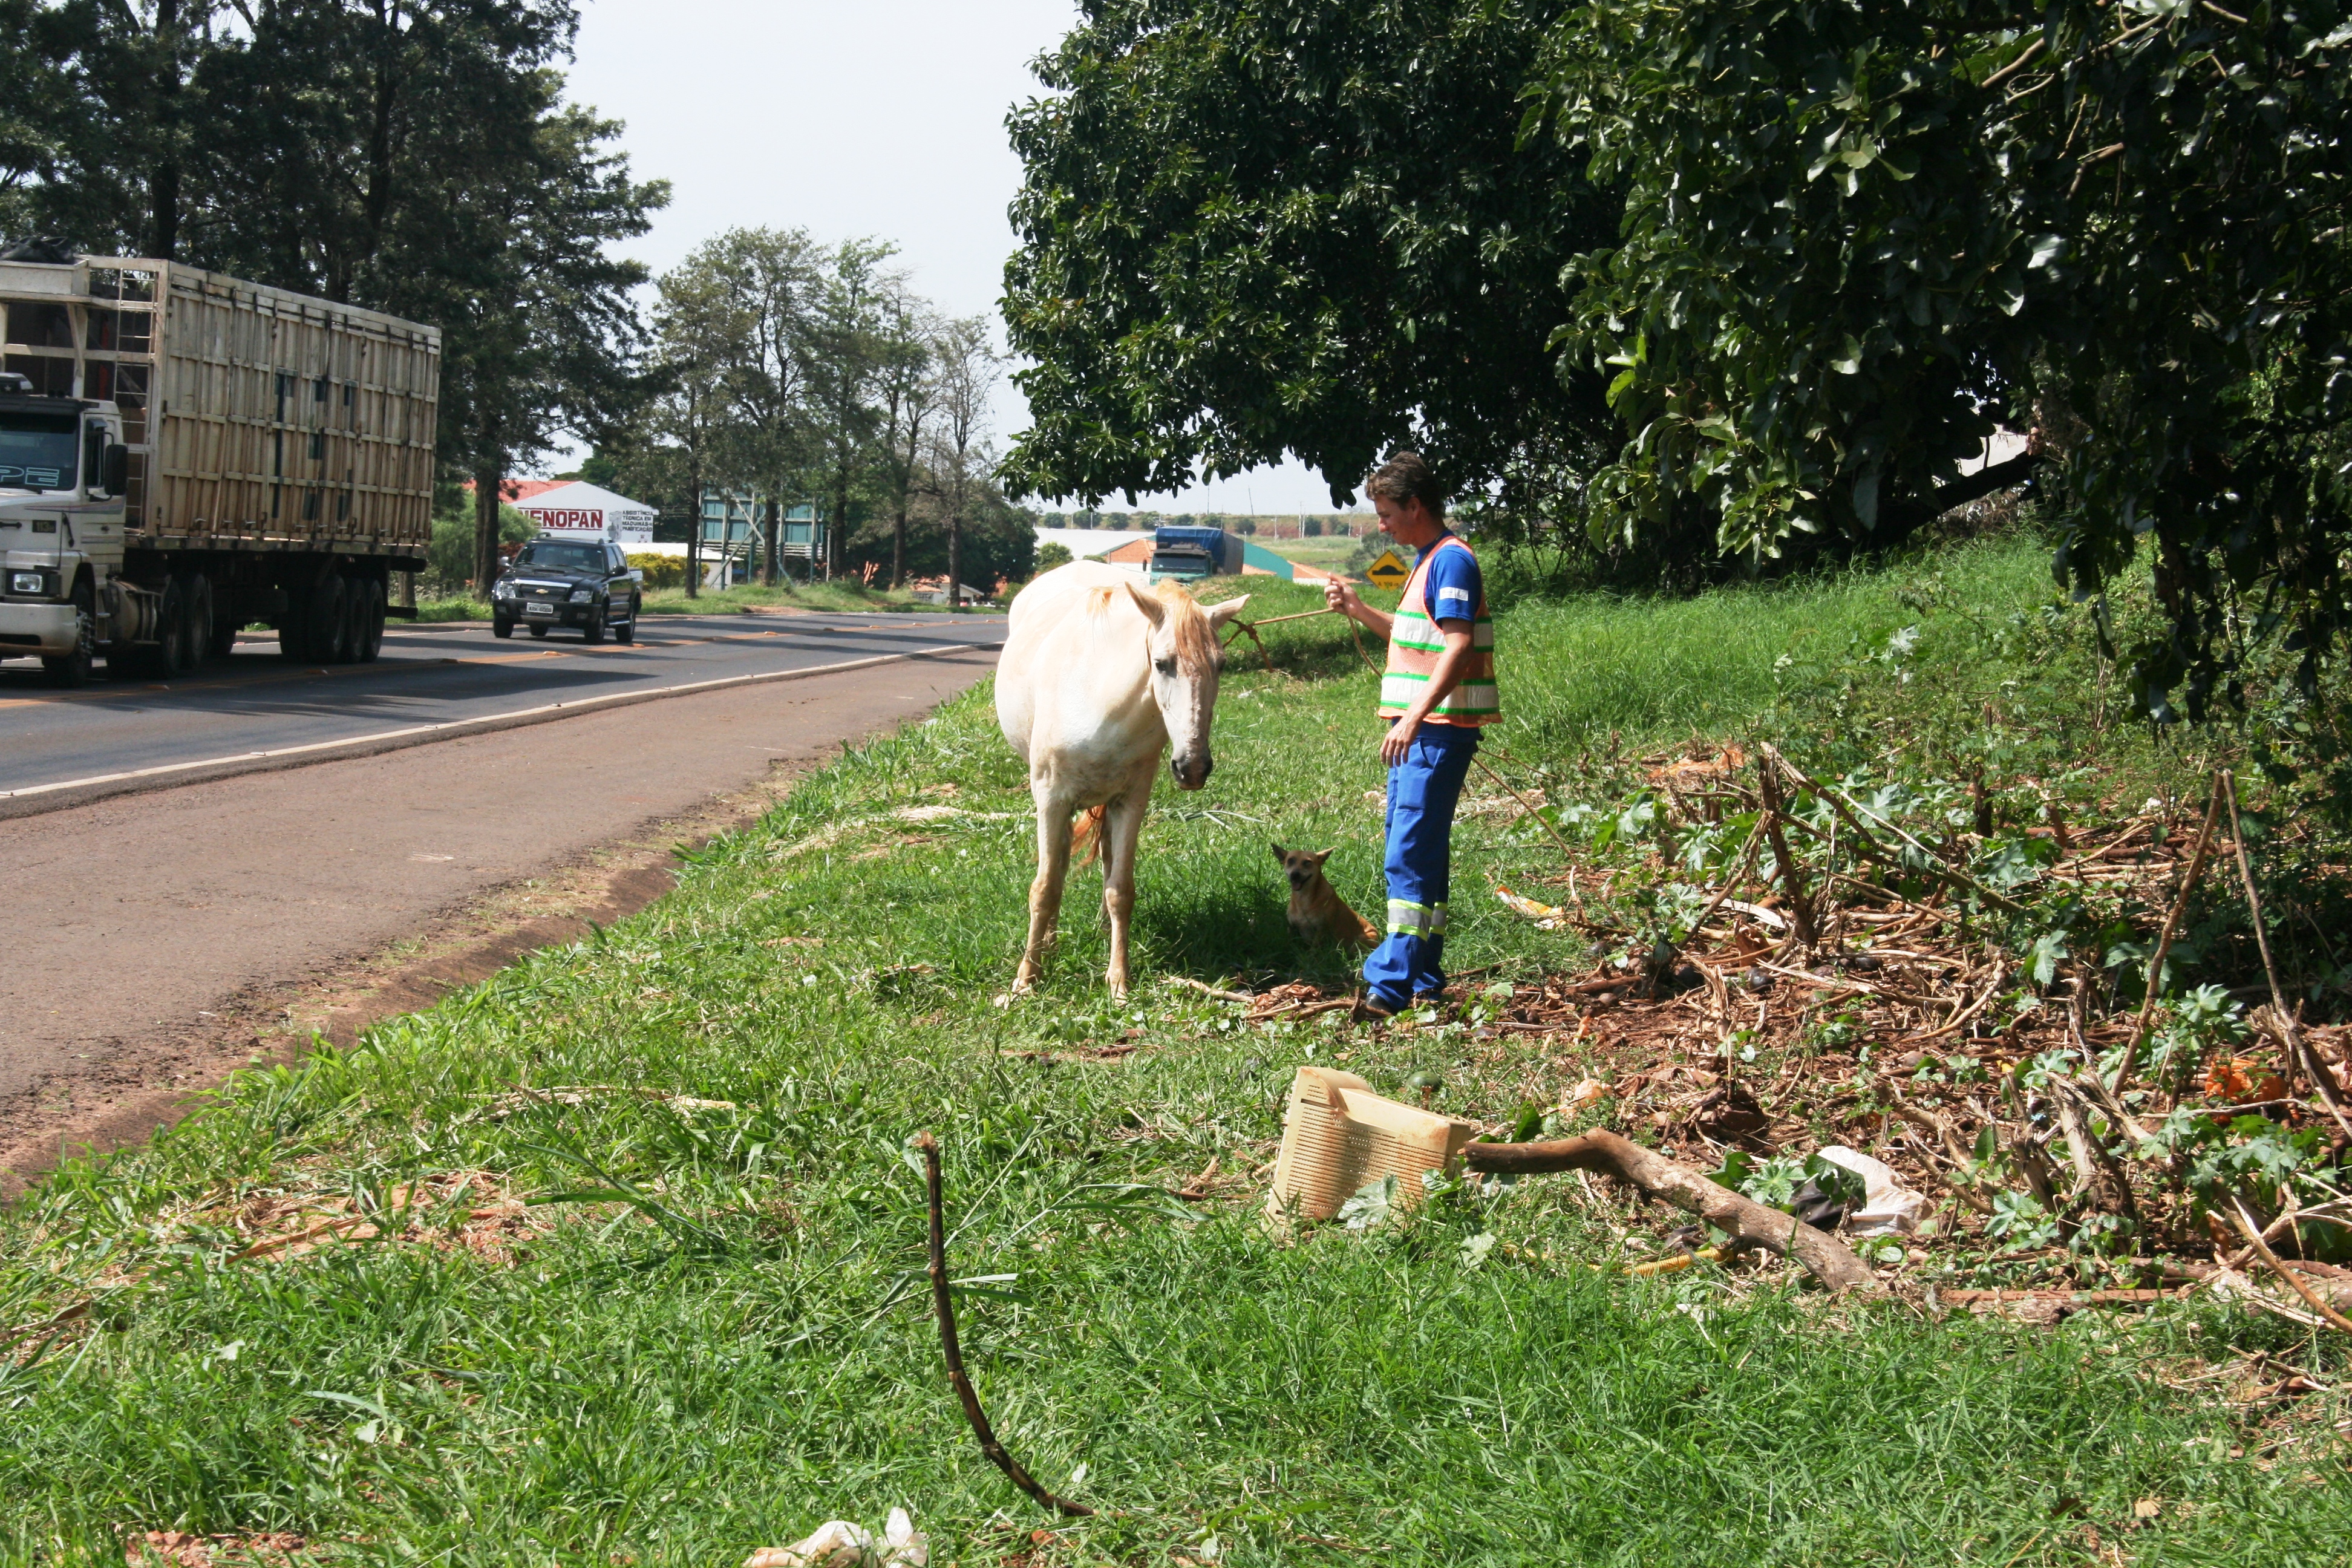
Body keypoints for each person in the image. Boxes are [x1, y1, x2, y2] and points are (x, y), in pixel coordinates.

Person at [1323, 451, 1498, 1018]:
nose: (1382, 525)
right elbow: (1413, 634)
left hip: (1435, 735)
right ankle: (1422, 977)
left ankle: (1389, 985)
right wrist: (1356, 608)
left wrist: (1413, 717)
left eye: (1386, 513)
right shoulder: (1428, 561)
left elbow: (1458, 646)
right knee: (1419, 857)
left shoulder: (1452, 562)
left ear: (1415, 505)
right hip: (1423, 735)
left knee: (1407, 855)